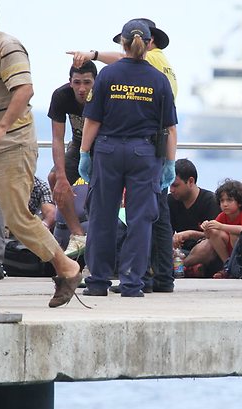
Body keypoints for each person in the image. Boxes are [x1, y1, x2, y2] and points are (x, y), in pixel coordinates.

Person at [0, 0, 82, 308]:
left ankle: (66, 266)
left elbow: (24, 90)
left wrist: (0, 129)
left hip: (12, 145)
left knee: (17, 216)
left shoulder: (7, 46)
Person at [69, 18, 177, 294]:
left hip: (108, 150)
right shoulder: (158, 79)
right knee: (141, 219)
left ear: (124, 43)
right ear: (148, 43)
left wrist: (84, 154)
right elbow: (169, 128)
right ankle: (131, 282)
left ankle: (98, 281)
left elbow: (92, 121)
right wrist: (170, 163)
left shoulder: (108, 75)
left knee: (102, 217)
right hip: (144, 153)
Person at [47, 61, 97, 258]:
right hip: (78, 144)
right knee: (54, 179)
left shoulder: (102, 95)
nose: (82, 89)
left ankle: (99, 235)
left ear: (95, 82)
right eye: (77, 83)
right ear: (70, 83)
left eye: (87, 83)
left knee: (101, 189)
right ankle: (78, 233)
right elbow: (57, 139)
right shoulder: (61, 96)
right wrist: (61, 177)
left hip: (102, 146)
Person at [169, 158, 221, 277]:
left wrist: (190, 234)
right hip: (180, 252)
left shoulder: (210, 201)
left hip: (201, 250)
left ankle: (180, 267)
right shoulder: (170, 201)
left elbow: (217, 236)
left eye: (175, 185)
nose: (171, 190)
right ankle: (184, 267)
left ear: (190, 181)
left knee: (208, 246)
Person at [201, 179, 242, 278]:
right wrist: (207, 228)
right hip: (226, 253)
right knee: (213, 231)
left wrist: (221, 226)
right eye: (222, 201)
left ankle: (234, 267)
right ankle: (227, 266)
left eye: (229, 200)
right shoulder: (222, 216)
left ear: (240, 202)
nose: (225, 204)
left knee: (234, 233)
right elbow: (209, 236)